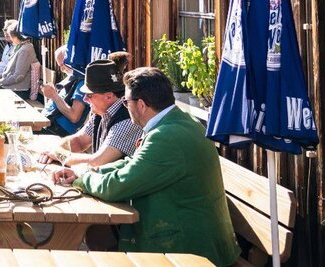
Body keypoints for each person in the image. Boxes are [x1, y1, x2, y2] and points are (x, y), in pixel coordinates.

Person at [52, 67, 241, 265]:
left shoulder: (166, 137)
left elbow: (118, 186)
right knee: (98, 234)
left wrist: (83, 179)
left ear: (141, 105)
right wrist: (88, 171)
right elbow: (133, 163)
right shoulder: (177, 122)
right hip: (193, 237)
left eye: (126, 102)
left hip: (188, 250)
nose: (125, 106)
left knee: (96, 239)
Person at [40, 52, 141, 168]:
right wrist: (55, 150)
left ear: (108, 96)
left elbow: (97, 161)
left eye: (90, 95)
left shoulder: (127, 119)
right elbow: (79, 141)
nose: (85, 99)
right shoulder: (102, 111)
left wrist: (60, 155)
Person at [41, 45, 89, 136]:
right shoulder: (73, 77)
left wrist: (53, 95)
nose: (62, 69)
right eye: (59, 65)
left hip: (57, 131)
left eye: (63, 64)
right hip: (48, 125)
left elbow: (74, 117)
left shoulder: (82, 82)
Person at [0, 20, 36, 99]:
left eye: (10, 36)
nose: (10, 39)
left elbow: (18, 76)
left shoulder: (25, 50)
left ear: (16, 36)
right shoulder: (20, 47)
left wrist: (0, 82)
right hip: (12, 86)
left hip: (19, 90)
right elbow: (10, 70)